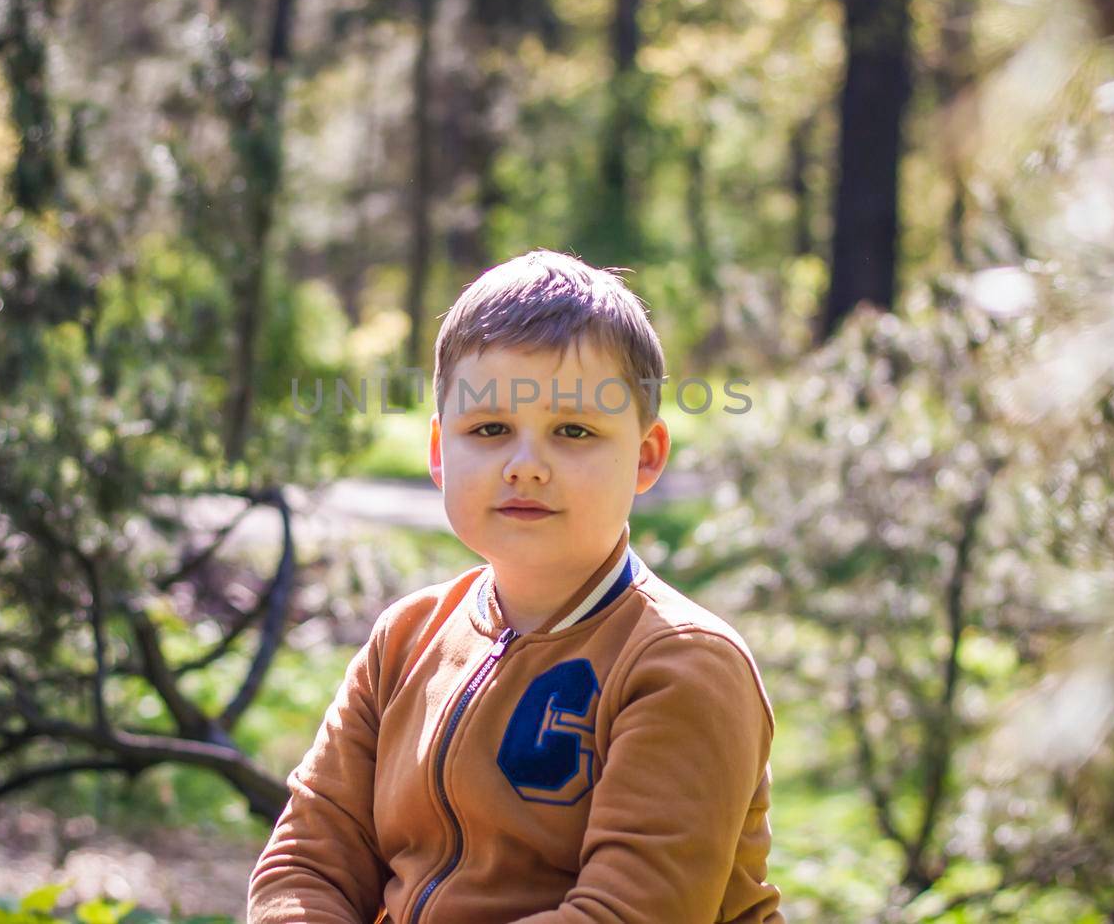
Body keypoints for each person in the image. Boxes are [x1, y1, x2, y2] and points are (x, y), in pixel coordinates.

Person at [247, 249, 783, 923]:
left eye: (574, 431)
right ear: (440, 453)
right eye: (491, 429)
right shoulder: (405, 641)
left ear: (645, 457)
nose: (526, 466)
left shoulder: (683, 665)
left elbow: (626, 914)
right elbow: (306, 861)